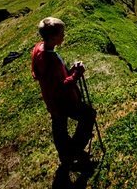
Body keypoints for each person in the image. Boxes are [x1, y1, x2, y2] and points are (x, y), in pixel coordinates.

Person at [31, 17, 96, 169]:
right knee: (88, 115)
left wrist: (71, 71)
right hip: (62, 100)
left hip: (52, 100)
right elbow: (60, 87)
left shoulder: (40, 48)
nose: (64, 36)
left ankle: (65, 154)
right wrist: (76, 74)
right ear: (53, 37)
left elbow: (52, 79)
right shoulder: (50, 59)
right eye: (62, 33)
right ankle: (74, 150)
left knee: (59, 126)